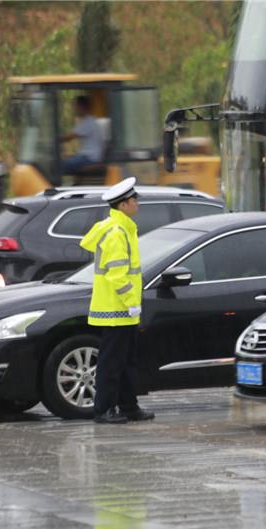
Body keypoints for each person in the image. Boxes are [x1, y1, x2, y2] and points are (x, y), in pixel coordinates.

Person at [80, 177, 154, 424]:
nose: (137, 205)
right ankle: (104, 409)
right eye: (134, 201)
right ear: (123, 205)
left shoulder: (124, 229)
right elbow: (117, 274)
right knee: (111, 363)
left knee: (125, 361)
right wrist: (129, 301)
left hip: (123, 310)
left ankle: (128, 406)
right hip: (116, 309)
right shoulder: (115, 232)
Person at [60, 95, 105, 175]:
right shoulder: (89, 121)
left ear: (82, 107)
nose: (74, 109)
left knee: (59, 165)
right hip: (88, 156)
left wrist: (53, 139)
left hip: (89, 158)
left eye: (75, 106)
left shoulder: (87, 122)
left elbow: (67, 137)